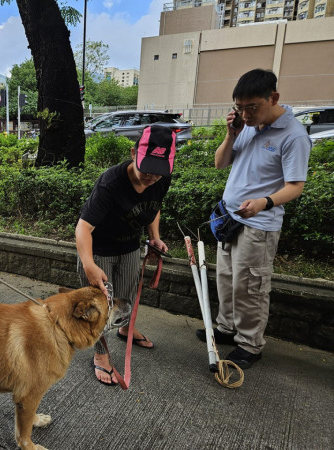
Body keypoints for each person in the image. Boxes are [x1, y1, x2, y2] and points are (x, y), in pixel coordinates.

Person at [196, 69, 311, 369]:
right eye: (239, 108)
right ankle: (225, 328)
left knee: (250, 287)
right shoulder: (246, 126)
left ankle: (249, 345)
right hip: (228, 218)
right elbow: (220, 163)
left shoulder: (294, 136)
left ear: (273, 98)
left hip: (258, 225)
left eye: (251, 107)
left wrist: (265, 202)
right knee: (226, 281)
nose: (245, 114)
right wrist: (231, 133)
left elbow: (295, 186)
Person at [76, 125, 176, 386]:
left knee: (128, 296)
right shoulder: (111, 182)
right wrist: (89, 264)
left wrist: (154, 237)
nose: (152, 176)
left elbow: (154, 207)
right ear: (133, 153)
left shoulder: (162, 177)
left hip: (130, 246)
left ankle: (124, 328)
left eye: (159, 170)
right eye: (147, 169)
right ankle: (100, 354)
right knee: (100, 307)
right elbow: (83, 227)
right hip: (99, 251)